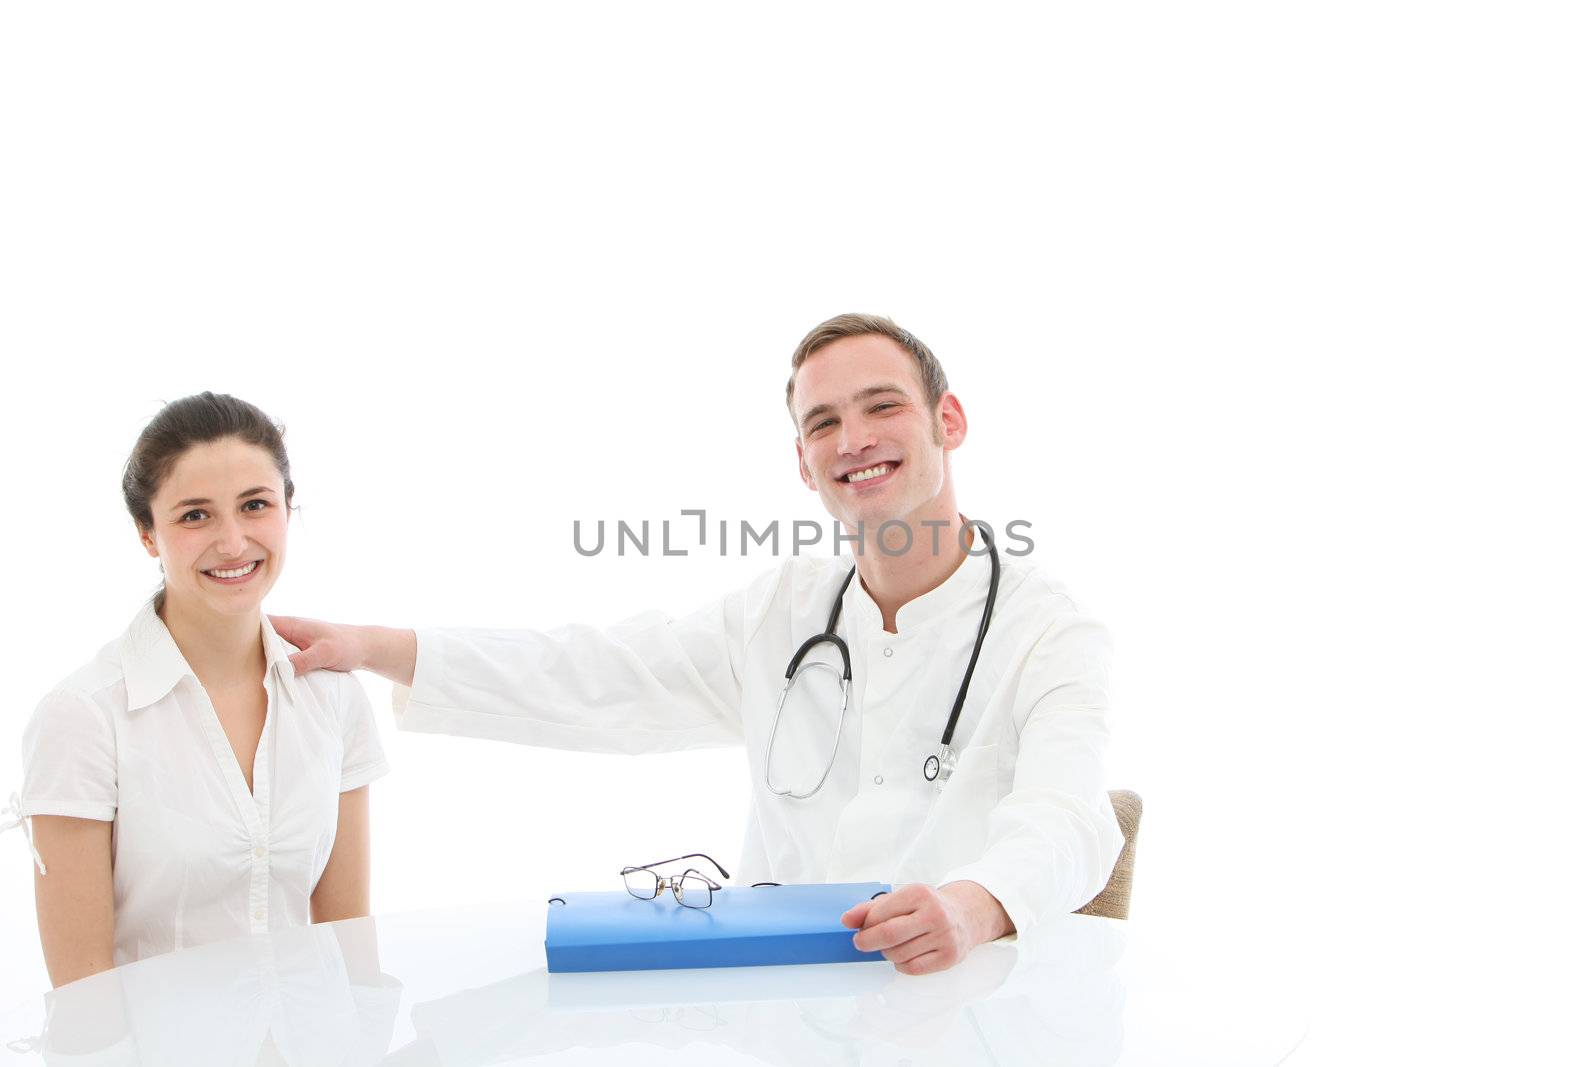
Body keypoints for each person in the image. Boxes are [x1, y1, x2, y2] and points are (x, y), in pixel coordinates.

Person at [276, 314, 1121, 976]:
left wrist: (972, 906)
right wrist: (377, 647)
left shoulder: (1051, 632)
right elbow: (596, 674)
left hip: (973, 1011)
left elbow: (1069, 820)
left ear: (950, 420)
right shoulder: (781, 614)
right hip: (790, 1016)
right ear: (803, 463)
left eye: (883, 405)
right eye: (823, 422)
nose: (853, 439)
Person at [5, 393, 389, 986]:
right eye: (194, 515)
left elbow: (351, 949)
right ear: (147, 534)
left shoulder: (332, 695)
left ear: (289, 509)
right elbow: (83, 998)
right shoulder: (82, 718)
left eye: (255, 505)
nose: (233, 543)